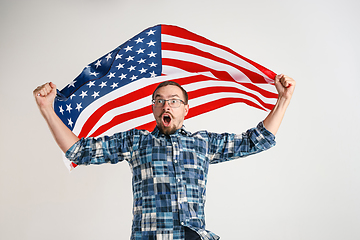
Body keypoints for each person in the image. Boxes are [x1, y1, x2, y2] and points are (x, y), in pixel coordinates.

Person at [33, 74, 296, 240]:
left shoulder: (202, 143)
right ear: (153, 109)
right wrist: (47, 109)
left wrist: (282, 100)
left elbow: (256, 140)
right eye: (159, 101)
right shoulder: (136, 141)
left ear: (186, 109)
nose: (166, 105)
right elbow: (78, 151)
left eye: (173, 101)